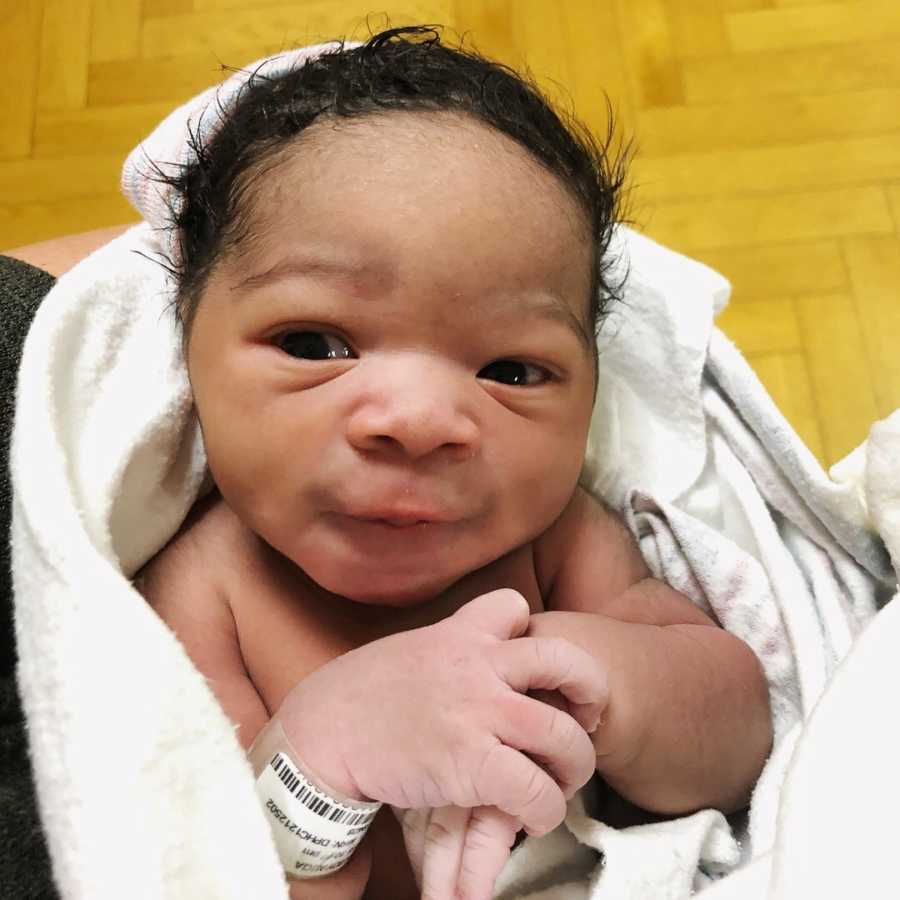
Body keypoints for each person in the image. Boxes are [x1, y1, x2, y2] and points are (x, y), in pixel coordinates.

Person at [21, 25, 774, 900]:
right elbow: (199, 860)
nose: (420, 423)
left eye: (511, 371)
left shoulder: (557, 537)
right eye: (314, 343)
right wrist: (326, 756)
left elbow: (739, 742)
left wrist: (590, 677)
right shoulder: (205, 589)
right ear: (187, 354)